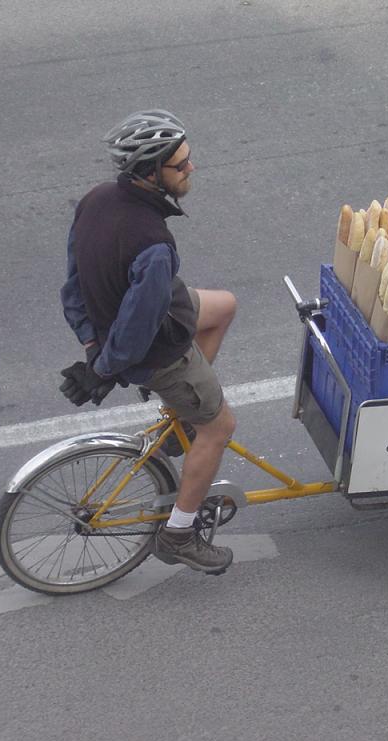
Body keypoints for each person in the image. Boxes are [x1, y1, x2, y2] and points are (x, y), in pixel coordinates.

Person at [59, 109, 236, 575]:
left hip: (146, 316)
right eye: (181, 164)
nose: (191, 167)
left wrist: (90, 344)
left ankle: (184, 417)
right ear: (152, 171)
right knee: (220, 428)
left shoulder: (96, 200)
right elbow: (139, 325)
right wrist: (105, 367)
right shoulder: (153, 244)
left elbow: (74, 284)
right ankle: (179, 534)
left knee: (224, 307)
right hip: (159, 350)